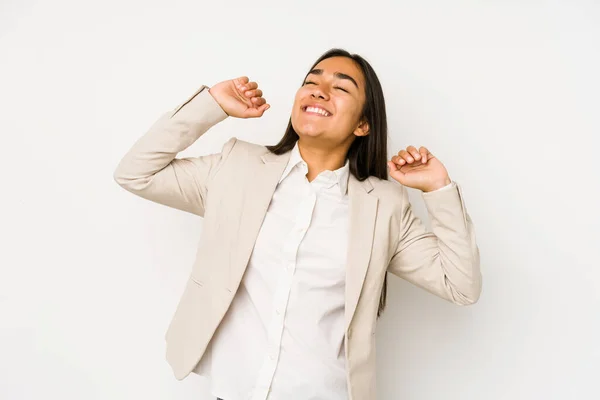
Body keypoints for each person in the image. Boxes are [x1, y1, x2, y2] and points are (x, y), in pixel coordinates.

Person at [113, 48, 482, 400]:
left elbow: (461, 285)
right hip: (234, 391)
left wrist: (439, 189)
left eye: (340, 87)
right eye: (312, 81)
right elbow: (135, 173)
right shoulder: (235, 167)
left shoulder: (384, 207)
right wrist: (211, 105)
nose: (319, 91)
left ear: (363, 124)